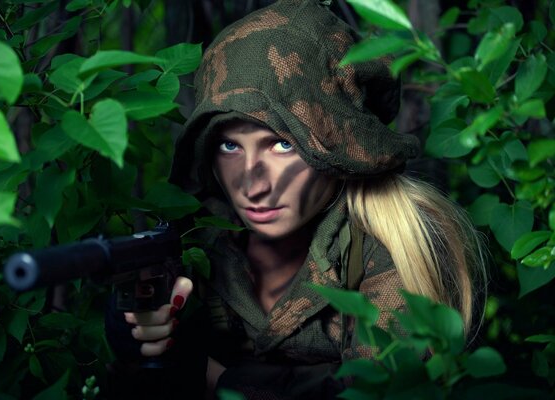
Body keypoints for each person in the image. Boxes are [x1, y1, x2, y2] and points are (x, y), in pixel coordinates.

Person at [106, 0, 487, 398]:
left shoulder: (401, 236)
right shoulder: (199, 235)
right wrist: (139, 331)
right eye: (230, 146)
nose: (252, 186)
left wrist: (214, 377)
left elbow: (379, 389)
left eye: (282, 144)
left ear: (337, 145)